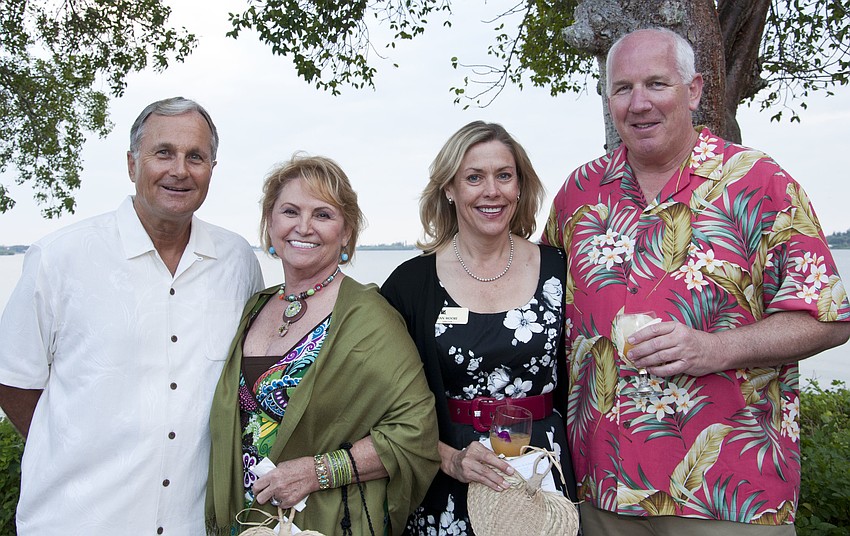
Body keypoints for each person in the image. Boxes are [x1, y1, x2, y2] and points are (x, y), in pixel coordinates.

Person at [542, 27, 850, 534]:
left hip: (729, 497)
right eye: (622, 88)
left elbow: (828, 317)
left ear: (694, 90)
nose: (639, 103)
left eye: (656, 83)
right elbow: (538, 311)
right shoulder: (579, 193)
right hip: (602, 492)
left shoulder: (758, 182)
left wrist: (715, 349)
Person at [0, 97, 265, 535]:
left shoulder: (237, 262)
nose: (179, 170)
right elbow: (13, 381)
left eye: (195, 157)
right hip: (78, 522)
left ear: (212, 169)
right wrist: (67, 446)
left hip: (192, 525)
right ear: (131, 164)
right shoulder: (59, 258)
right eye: (163, 152)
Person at [205, 154, 440, 535]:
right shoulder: (255, 307)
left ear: (346, 232)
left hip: (326, 522)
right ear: (270, 222)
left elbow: (416, 432)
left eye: (323, 214)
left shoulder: (369, 317)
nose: (304, 227)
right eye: (290, 211)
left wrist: (316, 472)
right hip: (246, 521)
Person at [381, 121, 578, 535]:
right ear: (449, 189)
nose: (492, 191)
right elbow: (383, 406)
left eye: (504, 176)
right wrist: (449, 459)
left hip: (541, 477)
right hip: (450, 478)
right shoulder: (410, 285)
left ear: (519, 187)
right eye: (474, 177)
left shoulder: (559, 269)